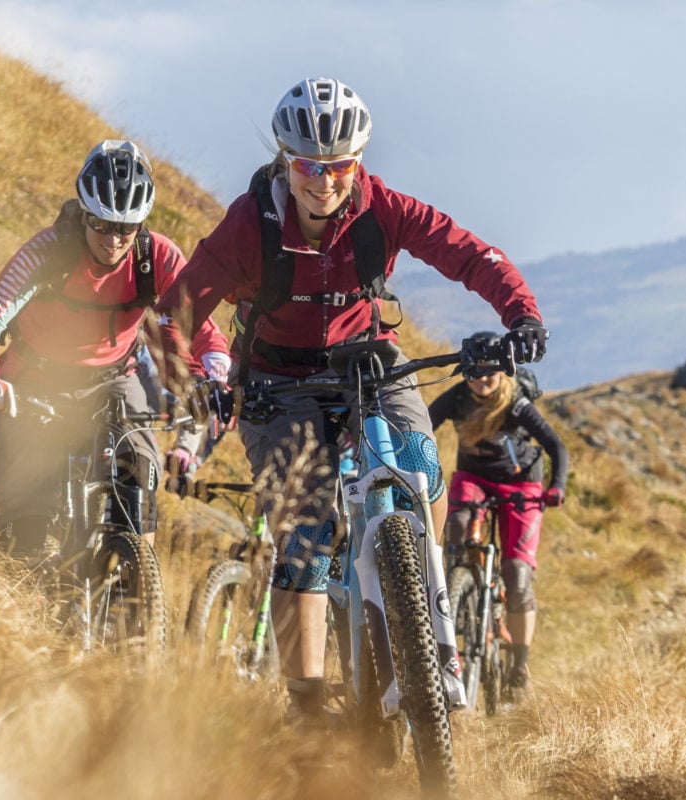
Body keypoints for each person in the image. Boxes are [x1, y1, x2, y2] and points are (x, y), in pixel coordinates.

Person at [155, 77, 550, 721]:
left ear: (357, 161)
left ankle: (434, 627)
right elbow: (173, 312)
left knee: (421, 462)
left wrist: (521, 315)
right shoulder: (248, 226)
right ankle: (307, 705)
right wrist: (199, 377)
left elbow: (469, 253)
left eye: (340, 164)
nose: (325, 180)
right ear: (287, 158)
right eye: (310, 164)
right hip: (277, 381)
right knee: (304, 537)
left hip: (370, 362)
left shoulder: (381, 209)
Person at [0, 139, 229, 562]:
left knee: (140, 475)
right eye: (101, 224)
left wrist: (215, 373)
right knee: (26, 527)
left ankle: (136, 593)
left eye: (125, 228)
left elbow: (201, 329)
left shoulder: (154, 257)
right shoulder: (49, 252)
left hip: (113, 381)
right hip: (34, 380)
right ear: (83, 214)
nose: (113, 239)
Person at [427, 331, 568, 702]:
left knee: (517, 576)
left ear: (503, 371)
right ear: (465, 372)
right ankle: (458, 602)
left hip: (521, 486)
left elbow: (556, 446)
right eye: (474, 371)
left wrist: (558, 486)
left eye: (491, 371)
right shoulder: (457, 399)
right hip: (473, 479)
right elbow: (423, 425)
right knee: (453, 535)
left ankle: (519, 666)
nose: (482, 379)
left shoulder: (516, 403)